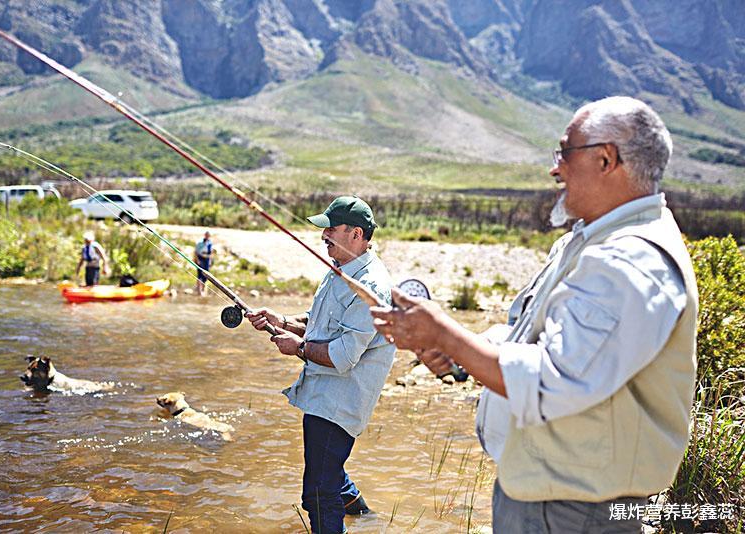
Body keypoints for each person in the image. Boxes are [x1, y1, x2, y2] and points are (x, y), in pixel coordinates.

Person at [371, 96, 698, 533]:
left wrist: (446, 336)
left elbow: (553, 379)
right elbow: (533, 340)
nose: (555, 168)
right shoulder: (589, 243)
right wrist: (465, 354)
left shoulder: (630, 261)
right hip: (556, 500)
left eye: (565, 152)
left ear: (606, 159)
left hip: (578, 512)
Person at [246, 196, 394, 534]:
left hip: (339, 402)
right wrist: (280, 319)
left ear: (356, 234)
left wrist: (297, 347)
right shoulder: (339, 269)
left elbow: (343, 356)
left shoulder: (371, 286)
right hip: (323, 395)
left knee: (317, 493)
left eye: (331, 229)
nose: (323, 236)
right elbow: (320, 324)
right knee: (330, 471)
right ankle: (366, 519)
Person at [194, 230, 215, 296]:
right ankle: (199, 291)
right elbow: (196, 252)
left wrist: (210, 261)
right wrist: (197, 260)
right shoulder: (200, 242)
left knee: (206, 275)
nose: (207, 236)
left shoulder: (210, 243)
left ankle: (203, 290)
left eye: (208, 235)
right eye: (207, 235)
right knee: (200, 275)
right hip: (201, 258)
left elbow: (211, 252)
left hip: (207, 259)